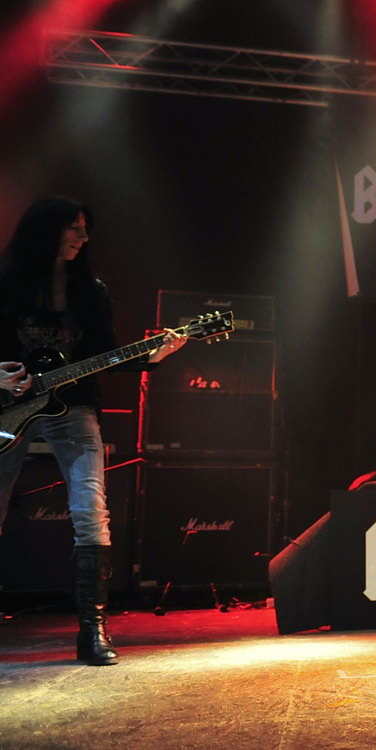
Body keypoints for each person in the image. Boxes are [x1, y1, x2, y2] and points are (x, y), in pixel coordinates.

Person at [0, 196, 185, 666]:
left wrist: (155, 355)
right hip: (7, 406)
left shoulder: (89, 290)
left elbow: (106, 353)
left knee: (90, 510)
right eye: (74, 228)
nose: (84, 238)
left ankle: (93, 630)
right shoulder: (7, 281)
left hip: (73, 404)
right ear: (47, 230)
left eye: (86, 229)